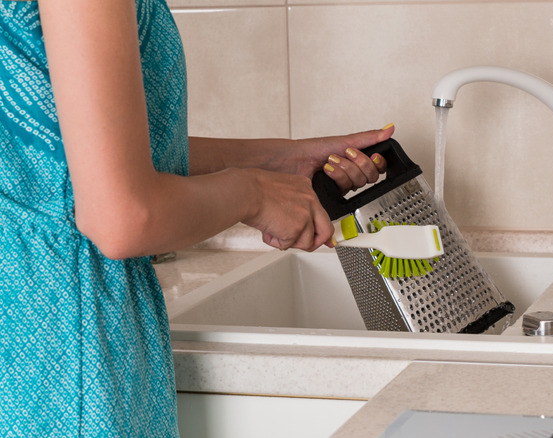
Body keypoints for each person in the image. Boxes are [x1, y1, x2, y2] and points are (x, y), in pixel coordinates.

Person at [0, 0, 391, 435]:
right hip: (67, 337)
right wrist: (253, 192)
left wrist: (278, 160)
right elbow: (124, 218)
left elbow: (63, 159)